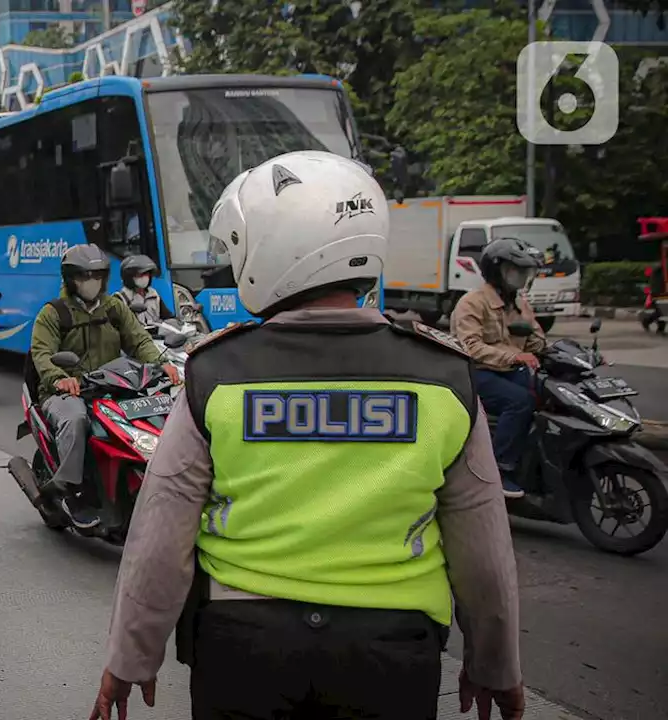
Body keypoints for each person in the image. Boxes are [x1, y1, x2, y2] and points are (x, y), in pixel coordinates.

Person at [88, 151, 524, 720]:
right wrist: (495, 665)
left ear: (268, 250)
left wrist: (130, 659)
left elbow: (160, 538)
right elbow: (484, 551)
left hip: (241, 649)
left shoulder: (216, 374)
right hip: (391, 652)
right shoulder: (443, 376)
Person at [29, 244, 181, 529]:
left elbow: (139, 341)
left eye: (96, 276)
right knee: (76, 420)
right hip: (65, 391)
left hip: (111, 386)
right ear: (71, 279)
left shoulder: (114, 307)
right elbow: (42, 355)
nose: (91, 283)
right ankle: (71, 491)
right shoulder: (53, 314)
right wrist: (59, 378)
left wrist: (163, 364)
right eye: (84, 277)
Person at [451, 238, 547, 498]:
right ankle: (499, 469)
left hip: (510, 372)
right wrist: (515, 357)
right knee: (520, 402)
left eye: (525, 272)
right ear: (497, 271)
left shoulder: (519, 302)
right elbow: (469, 347)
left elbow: (536, 340)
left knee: (551, 397)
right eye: (516, 271)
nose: (521, 277)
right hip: (477, 373)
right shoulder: (472, 302)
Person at [115, 254, 174, 328]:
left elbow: (168, 317)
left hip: (155, 337)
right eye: (140, 275)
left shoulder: (153, 295)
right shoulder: (120, 298)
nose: (145, 277)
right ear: (129, 277)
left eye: (146, 274)